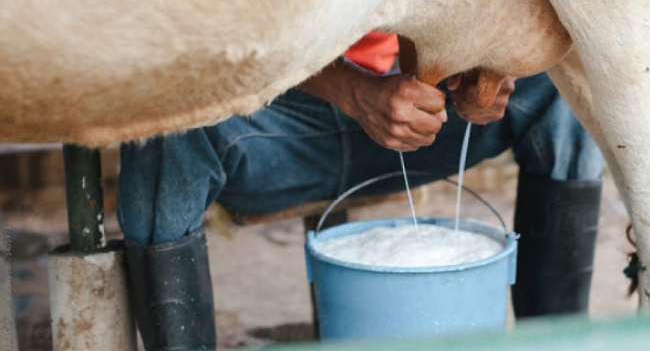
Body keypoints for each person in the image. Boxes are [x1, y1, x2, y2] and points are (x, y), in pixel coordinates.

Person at [118, 31, 604, 351]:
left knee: (566, 91)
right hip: (273, 127)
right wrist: (351, 91)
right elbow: (210, 32)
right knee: (164, 126)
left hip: (415, 116)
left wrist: (484, 70)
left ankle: (556, 340)